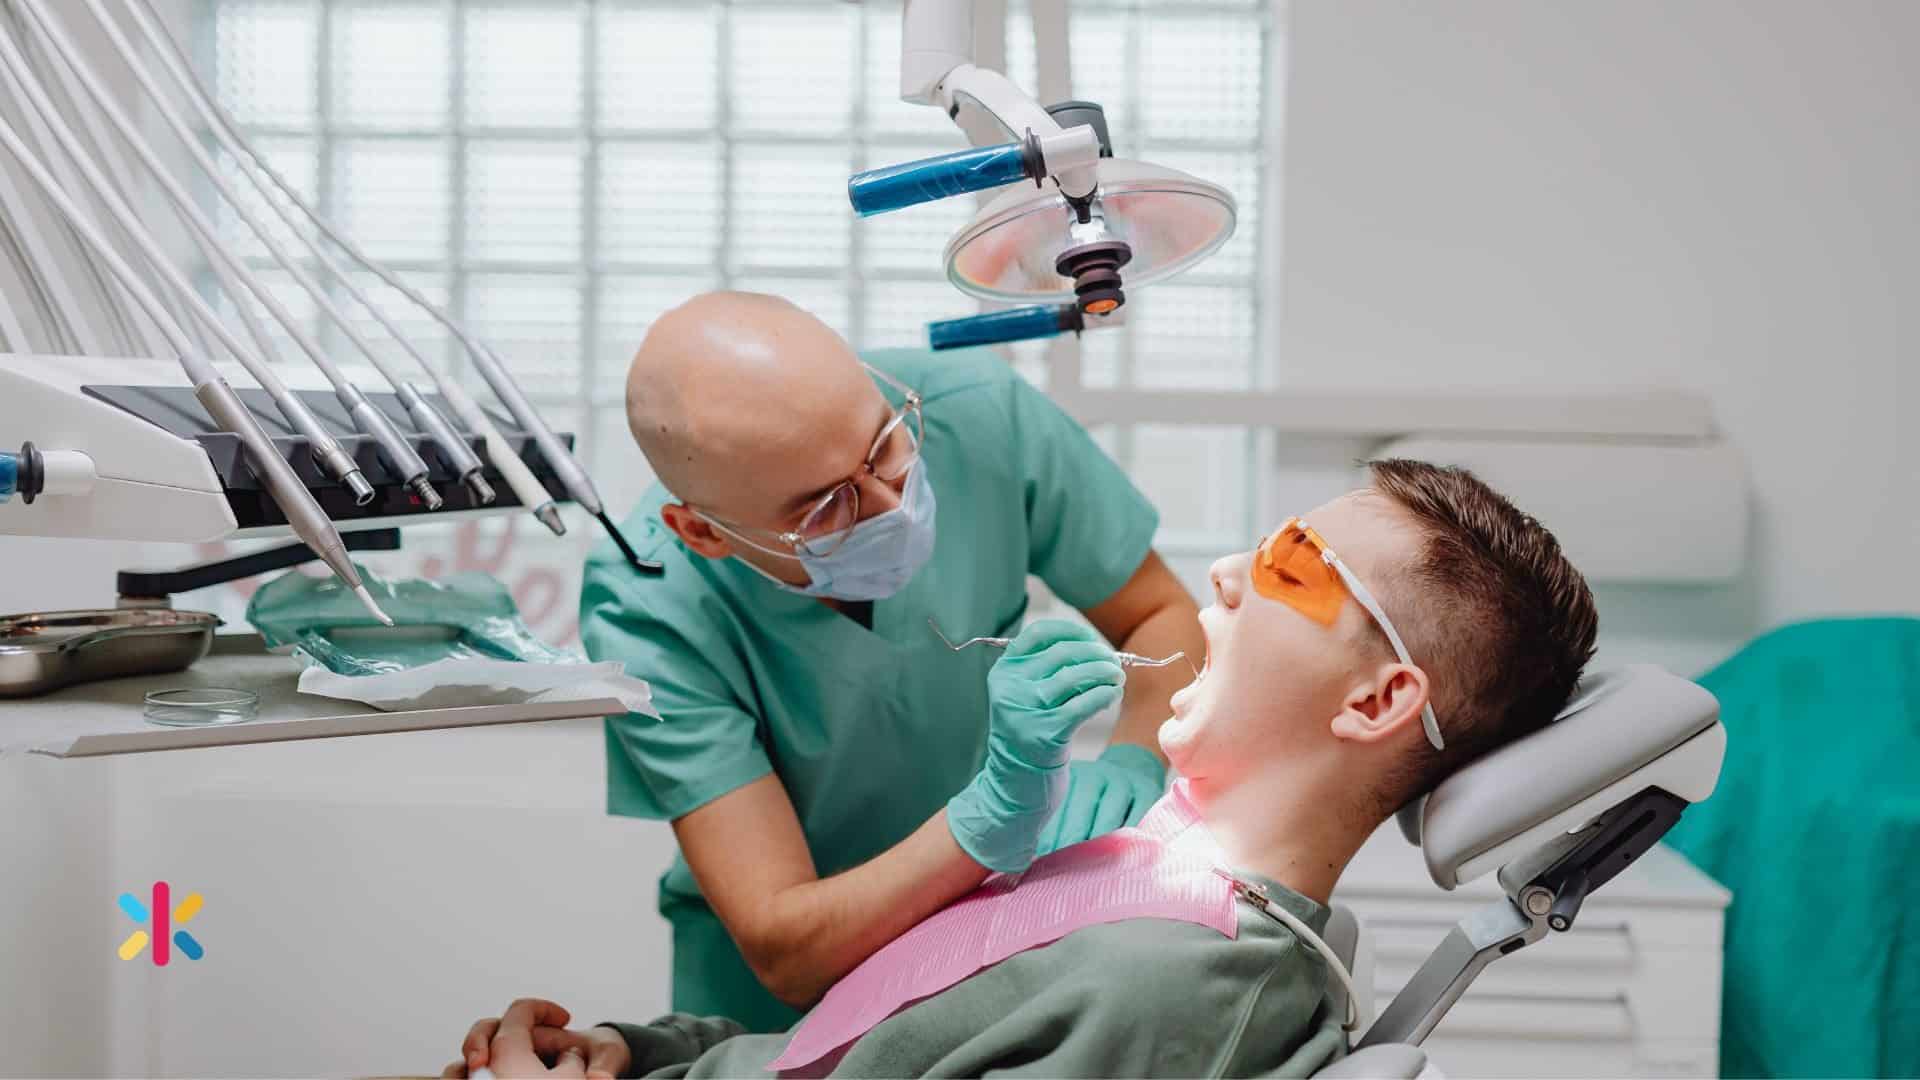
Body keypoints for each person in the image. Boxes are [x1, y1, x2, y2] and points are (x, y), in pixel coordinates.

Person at [449, 459, 1601, 1079]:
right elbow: (843, 1046)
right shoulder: (1139, 865)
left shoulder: (1177, 989)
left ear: (1379, 701)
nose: (1225, 575)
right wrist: (640, 1053)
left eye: (1293, 565)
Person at [580, 292, 1205, 1032]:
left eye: (883, 448)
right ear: (703, 533)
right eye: (825, 508)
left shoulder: (977, 413)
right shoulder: (648, 605)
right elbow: (786, 947)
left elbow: (1158, 614)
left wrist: (1133, 761)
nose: (891, 505)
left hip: (990, 936)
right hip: (784, 1005)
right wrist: (988, 817)